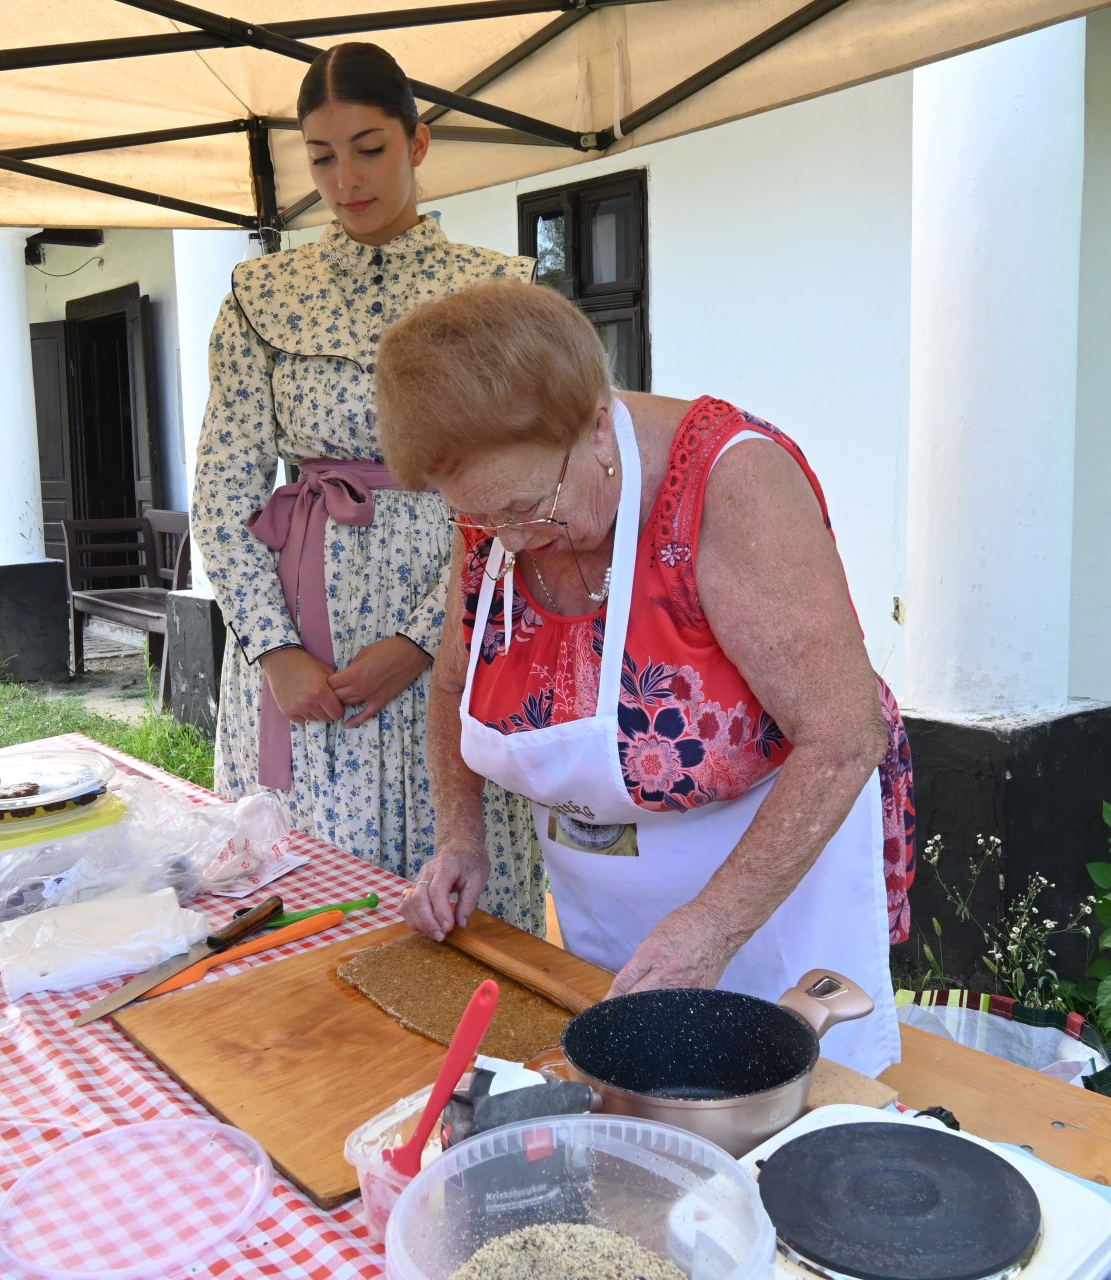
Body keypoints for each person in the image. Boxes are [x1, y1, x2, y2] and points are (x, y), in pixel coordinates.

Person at [376, 280, 917, 1077]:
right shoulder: (501, 509)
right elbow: (456, 684)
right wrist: (462, 837)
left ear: (598, 425)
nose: (512, 541)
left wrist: (715, 925)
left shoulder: (733, 484)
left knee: (786, 1107)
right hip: (607, 898)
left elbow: (844, 735)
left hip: (769, 895)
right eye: (484, 519)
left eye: (530, 508)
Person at [190, 43, 547, 932]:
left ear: (418, 144)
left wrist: (427, 639)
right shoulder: (259, 295)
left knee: (454, 901)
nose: (344, 178)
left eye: (369, 146)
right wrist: (274, 650)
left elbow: (533, 491)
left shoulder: (497, 292)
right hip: (299, 658)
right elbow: (222, 490)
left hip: (455, 632)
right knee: (295, 918)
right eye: (320, 154)